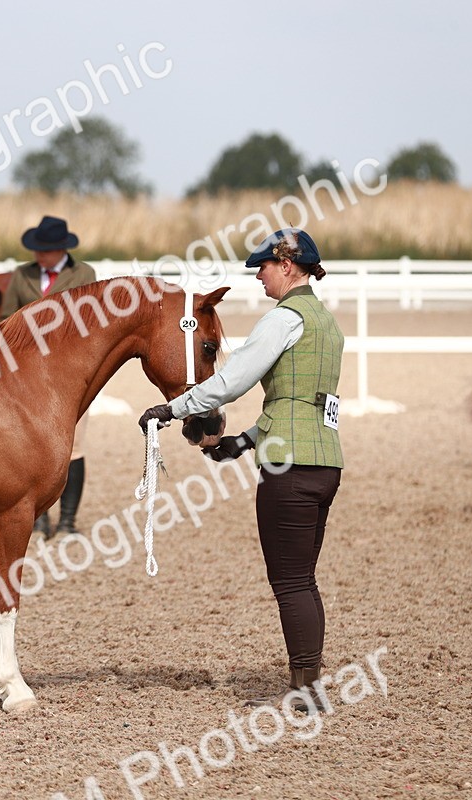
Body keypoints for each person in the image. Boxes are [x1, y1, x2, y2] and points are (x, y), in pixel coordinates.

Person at [138, 228, 343, 712]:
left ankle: (306, 693)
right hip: (325, 461)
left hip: (289, 469)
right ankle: (306, 684)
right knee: (304, 579)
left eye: (265, 267)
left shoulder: (284, 318)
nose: (259, 277)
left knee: (289, 582)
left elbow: (230, 381)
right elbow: (299, 402)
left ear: (288, 266)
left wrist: (174, 409)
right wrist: (244, 442)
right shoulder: (326, 323)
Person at [0, 215, 97, 538]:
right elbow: (5, 320)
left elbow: (90, 323)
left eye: (45, 250)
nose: (38, 256)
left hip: (69, 374)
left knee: (74, 445)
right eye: (37, 250)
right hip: (26, 375)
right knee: (27, 447)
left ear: (60, 249)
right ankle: (37, 518)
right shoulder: (22, 275)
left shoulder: (84, 275)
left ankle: (67, 520)